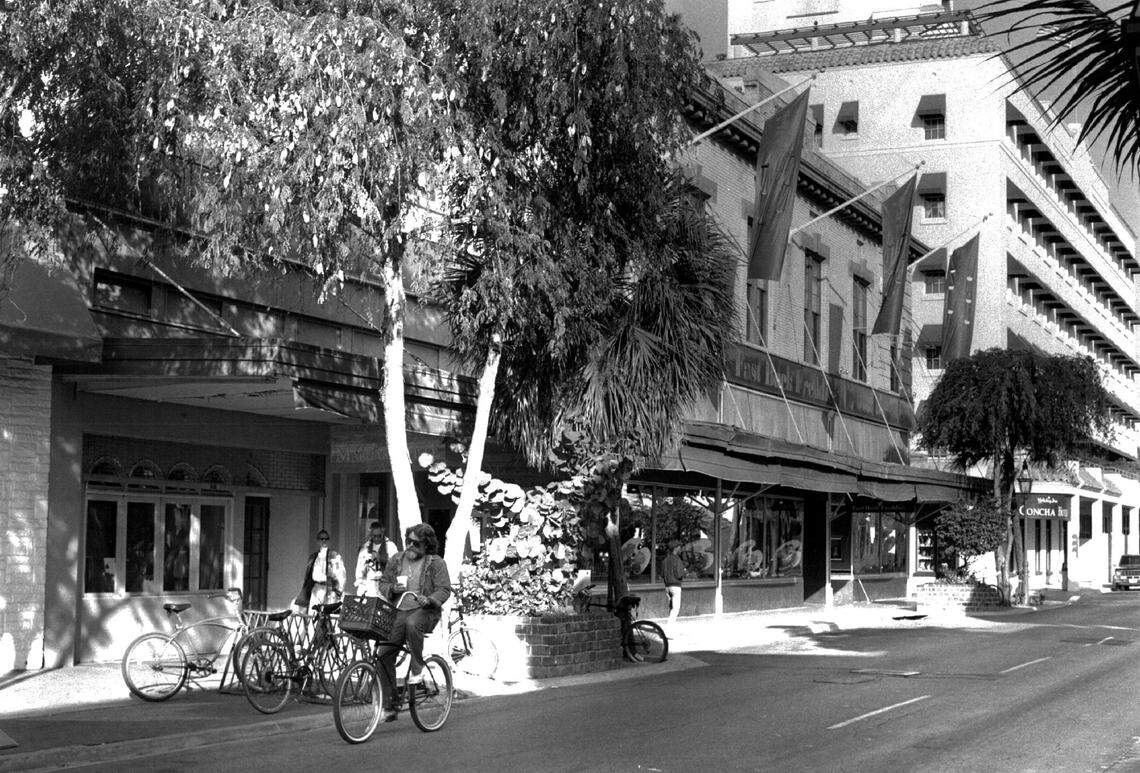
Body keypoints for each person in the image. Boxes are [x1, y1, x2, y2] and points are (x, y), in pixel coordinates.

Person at [376, 522, 451, 722]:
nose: (410, 545)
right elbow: (382, 583)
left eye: (415, 543)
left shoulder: (435, 562)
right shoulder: (396, 559)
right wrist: (392, 588)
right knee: (383, 655)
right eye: (407, 541)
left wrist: (430, 599)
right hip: (399, 610)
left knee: (412, 624)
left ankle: (417, 669)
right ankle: (390, 705)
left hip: (425, 611)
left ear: (427, 545)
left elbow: (444, 589)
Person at [295, 529, 346, 614]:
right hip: (316, 589)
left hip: (330, 590)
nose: (324, 541)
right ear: (317, 541)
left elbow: (342, 576)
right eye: (321, 539)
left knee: (329, 617)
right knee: (314, 616)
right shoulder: (313, 557)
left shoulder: (335, 556)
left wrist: (338, 592)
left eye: (326, 539)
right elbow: (308, 577)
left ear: (329, 541)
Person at [354, 520, 397, 597]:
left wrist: (381, 559)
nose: (377, 538)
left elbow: (395, 566)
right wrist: (361, 586)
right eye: (374, 536)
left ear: (383, 533)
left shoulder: (390, 546)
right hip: (369, 586)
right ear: (371, 535)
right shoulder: (365, 547)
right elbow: (360, 568)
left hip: (384, 585)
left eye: (379, 536)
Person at [661, 539, 685, 625]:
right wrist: (684, 572)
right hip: (675, 586)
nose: (680, 549)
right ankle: (669, 629)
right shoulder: (677, 560)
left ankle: (671, 628)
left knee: (671, 608)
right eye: (679, 547)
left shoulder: (665, 560)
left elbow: (662, 575)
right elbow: (679, 575)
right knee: (675, 609)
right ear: (676, 548)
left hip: (667, 587)